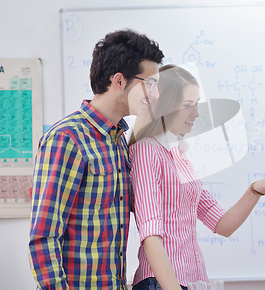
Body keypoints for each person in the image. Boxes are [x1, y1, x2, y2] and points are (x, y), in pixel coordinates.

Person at [129, 65, 265, 290]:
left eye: (196, 104)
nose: (196, 113)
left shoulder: (179, 156)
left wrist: (255, 190)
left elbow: (222, 225)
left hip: (190, 281)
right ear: (164, 105)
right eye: (188, 105)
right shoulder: (147, 151)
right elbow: (150, 235)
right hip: (161, 283)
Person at [29, 29, 164, 290]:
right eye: (150, 84)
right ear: (120, 81)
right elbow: (44, 236)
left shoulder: (118, 139)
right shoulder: (66, 137)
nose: (155, 94)